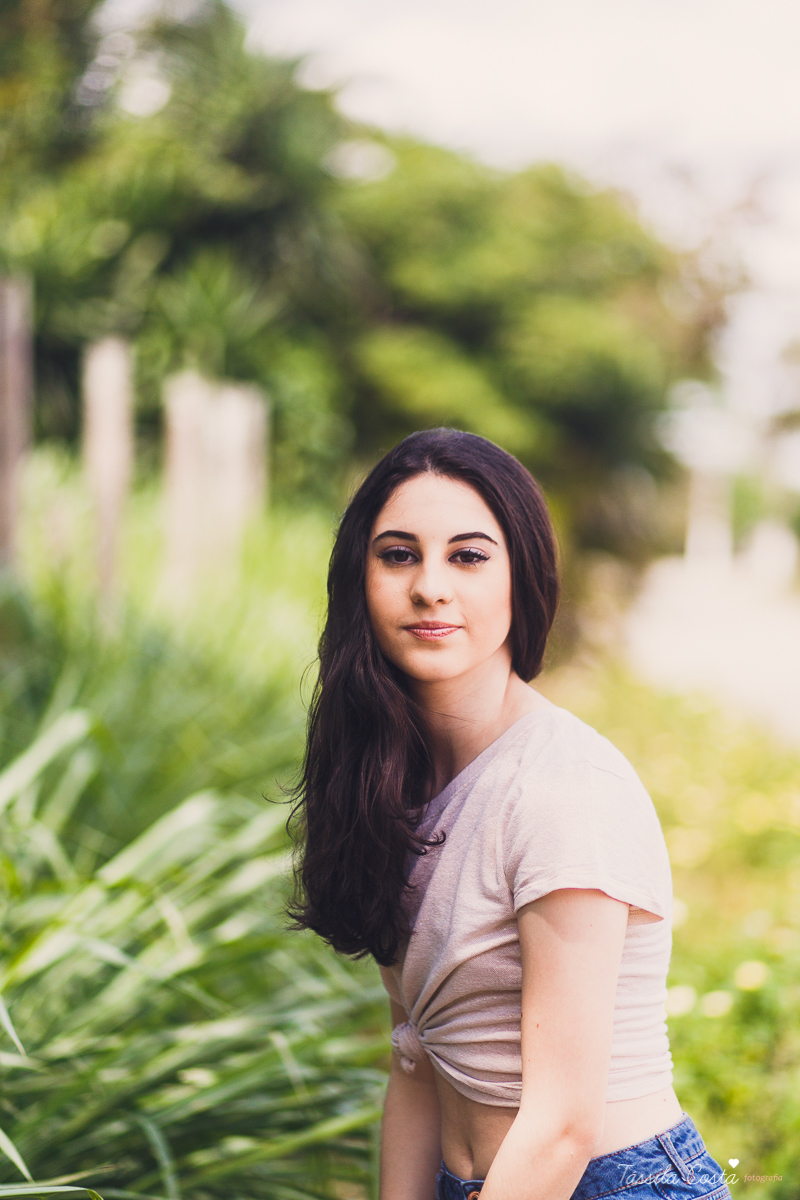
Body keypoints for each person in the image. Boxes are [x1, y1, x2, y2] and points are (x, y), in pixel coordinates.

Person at [290, 428, 732, 1200]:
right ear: (358, 580)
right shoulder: (392, 780)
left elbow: (561, 1125)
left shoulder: (563, 787)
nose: (431, 586)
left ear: (520, 578)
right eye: (399, 555)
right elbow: (415, 1056)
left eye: (468, 556)